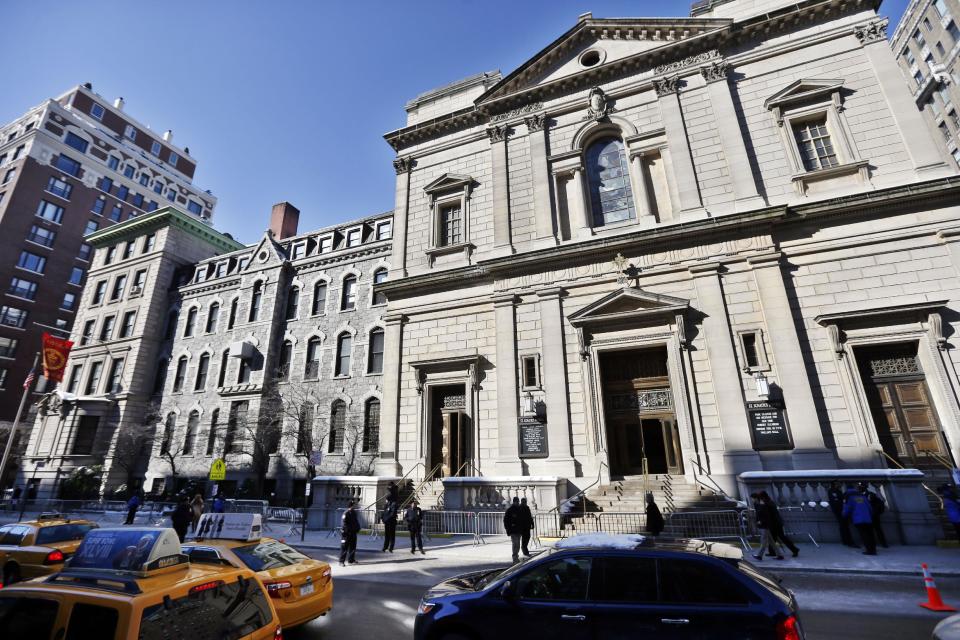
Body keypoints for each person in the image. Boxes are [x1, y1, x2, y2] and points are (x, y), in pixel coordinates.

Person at [843, 484, 877, 555]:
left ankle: (869, 550)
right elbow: (870, 507)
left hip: (858, 518)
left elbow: (847, 509)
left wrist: (844, 515)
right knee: (870, 534)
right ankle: (873, 549)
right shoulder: (862, 496)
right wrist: (870, 515)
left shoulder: (849, 497)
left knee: (864, 535)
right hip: (868, 518)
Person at [763, 491, 799, 558]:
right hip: (776, 523)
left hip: (775, 524)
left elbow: (770, 516)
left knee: (779, 538)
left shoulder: (768, 504)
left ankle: (794, 549)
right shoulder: (770, 503)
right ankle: (772, 551)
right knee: (774, 538)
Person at [752, 492, 784, 561]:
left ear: (756, 498)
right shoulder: (758, 505)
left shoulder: (763, 505)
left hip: (764, 525)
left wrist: (761, 521)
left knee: (763, 541)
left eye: (753, 499)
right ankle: (779, 555)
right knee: (771, 542)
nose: (752, 500)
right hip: (763, 525)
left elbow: (766, 515)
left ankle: (759, 555)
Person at [827, 481, 857, 547]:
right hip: (840, 511)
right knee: (844, 526)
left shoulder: (837, 491)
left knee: (844, 526)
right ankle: (848, 541)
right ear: (834, 484)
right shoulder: (833, 491)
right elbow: (836, 501)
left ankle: (846, 541)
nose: (840, 484)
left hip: (840, 510)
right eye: (838, 483)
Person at [862, 483, 888, 548]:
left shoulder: (865, 495)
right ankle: (883, 543)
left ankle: (873, 543)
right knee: (878, 529)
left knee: (870, 530)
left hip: (870, 515)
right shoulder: (872, 494)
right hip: (875, 515)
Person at [340, 500, 361, 566]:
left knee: (352, 547)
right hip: (347, 533)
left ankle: (351, 560)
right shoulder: (346, 513)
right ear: (351, 505)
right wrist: (346, 531)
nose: (355, 506)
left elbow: (356, 522)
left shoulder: (354, 513)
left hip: (353, 533)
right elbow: (344, 524)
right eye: (354, 505)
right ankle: (341, 561)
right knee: (344, 548)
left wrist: (357, 528)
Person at [504, 497, 524, 563]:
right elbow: (506, 520)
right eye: (517, 502)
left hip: (518, 530)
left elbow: (522, 520)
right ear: (514, 502)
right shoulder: (510, 510)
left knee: (517, 544)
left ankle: (516, 557)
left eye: (518, 502)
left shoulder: (520, 509)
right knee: (515, 544)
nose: (518, 503)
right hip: (513, 530)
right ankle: (515, 558)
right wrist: (508, 529)